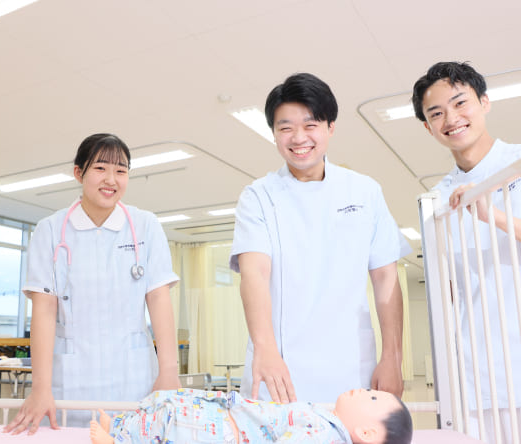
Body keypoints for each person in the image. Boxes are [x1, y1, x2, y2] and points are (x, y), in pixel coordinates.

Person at [230, 73, 410, 405]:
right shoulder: (258, 196)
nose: (299, 138)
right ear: (274, 133)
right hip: (280, 366)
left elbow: (386, 278)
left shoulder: (364, 191)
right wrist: (265, 349)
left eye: (310, 125)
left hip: (351, 365)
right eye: (285, 128)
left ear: (330, 127)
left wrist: (392, 357)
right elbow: (254, 274)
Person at [4, 133, 180, 434]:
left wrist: (169, 372)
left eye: (121, 171)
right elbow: (44, 311)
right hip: (71, 378)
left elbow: (159, 299)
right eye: (100, 168)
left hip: (134, 375)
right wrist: (40, 387)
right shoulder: (50, 230)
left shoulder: (145, 225)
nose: (111, 179)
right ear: (78, 172)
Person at [412, 61, 521, 442]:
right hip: (476, 376)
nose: (451, 119)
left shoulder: (517, 164)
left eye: (460, 103)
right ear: (428, 127)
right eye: (436, 113)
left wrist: (494, 216)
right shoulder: (438, 201)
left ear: (484, 102)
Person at [89, 387, 413, 444]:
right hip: (226, 418)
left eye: (372, 398)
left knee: (169, 426)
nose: (363, 390)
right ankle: (118, 426)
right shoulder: (325, 420)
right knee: (169, 406)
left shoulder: (323, 433)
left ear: (367, 433)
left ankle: (116, 441)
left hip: (220, 432)